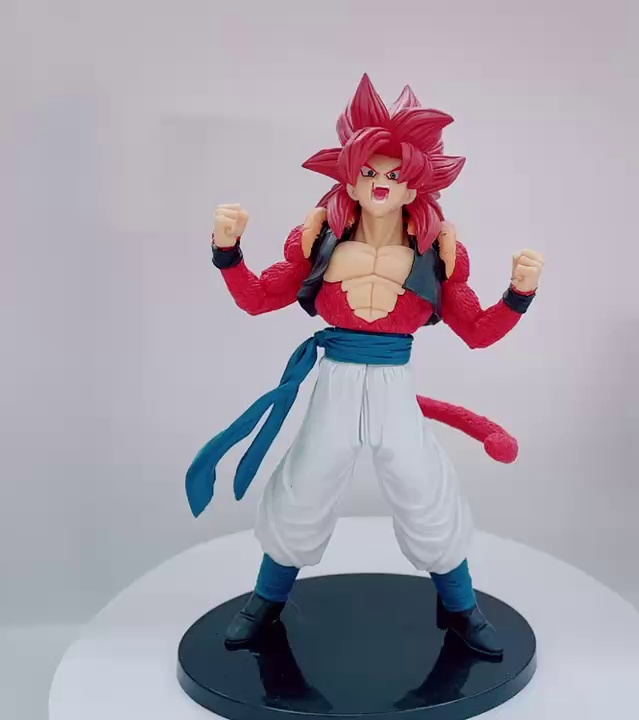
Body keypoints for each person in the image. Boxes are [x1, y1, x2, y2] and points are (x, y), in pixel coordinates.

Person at [186, 74, 544, 657]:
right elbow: (258, 297)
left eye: (395, 175)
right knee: (305, 485)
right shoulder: (319, 236)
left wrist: (518, 294)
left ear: (414, 185)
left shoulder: (437, 248)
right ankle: (266, 600)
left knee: (423, 486)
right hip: (336, 378)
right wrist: (228, 251)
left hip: (394, 382)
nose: (381, 183)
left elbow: (477, 331)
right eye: (370, 171)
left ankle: (460, 605)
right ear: (349, 177)